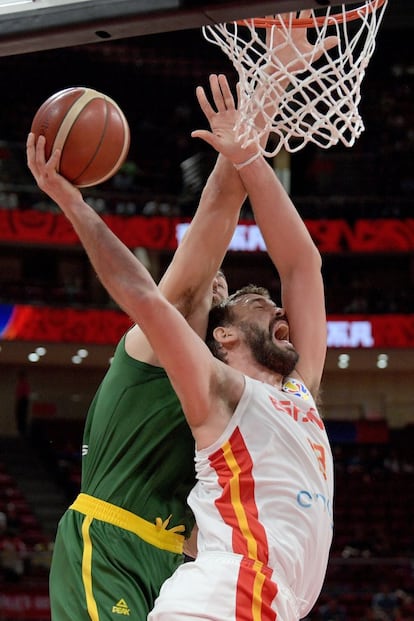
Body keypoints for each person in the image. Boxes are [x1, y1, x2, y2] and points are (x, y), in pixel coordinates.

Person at [27, 70, 333, 621]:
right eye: (235, 293)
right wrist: (71, 204)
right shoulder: (181, 355)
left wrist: (272, 87)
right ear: (223, 332)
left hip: (179, 562)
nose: (216, 278)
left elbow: (299, 263)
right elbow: (208, 222)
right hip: (114, 544)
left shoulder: (285, 390)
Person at [15, 369, 30, 437]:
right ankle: (21, 431)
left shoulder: (25, 384)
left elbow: (25, 395)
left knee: (22, 417)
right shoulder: (20, 384)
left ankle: (23, 432)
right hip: (21, 401)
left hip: (23, 401)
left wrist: (21, 400)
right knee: (19, 418)